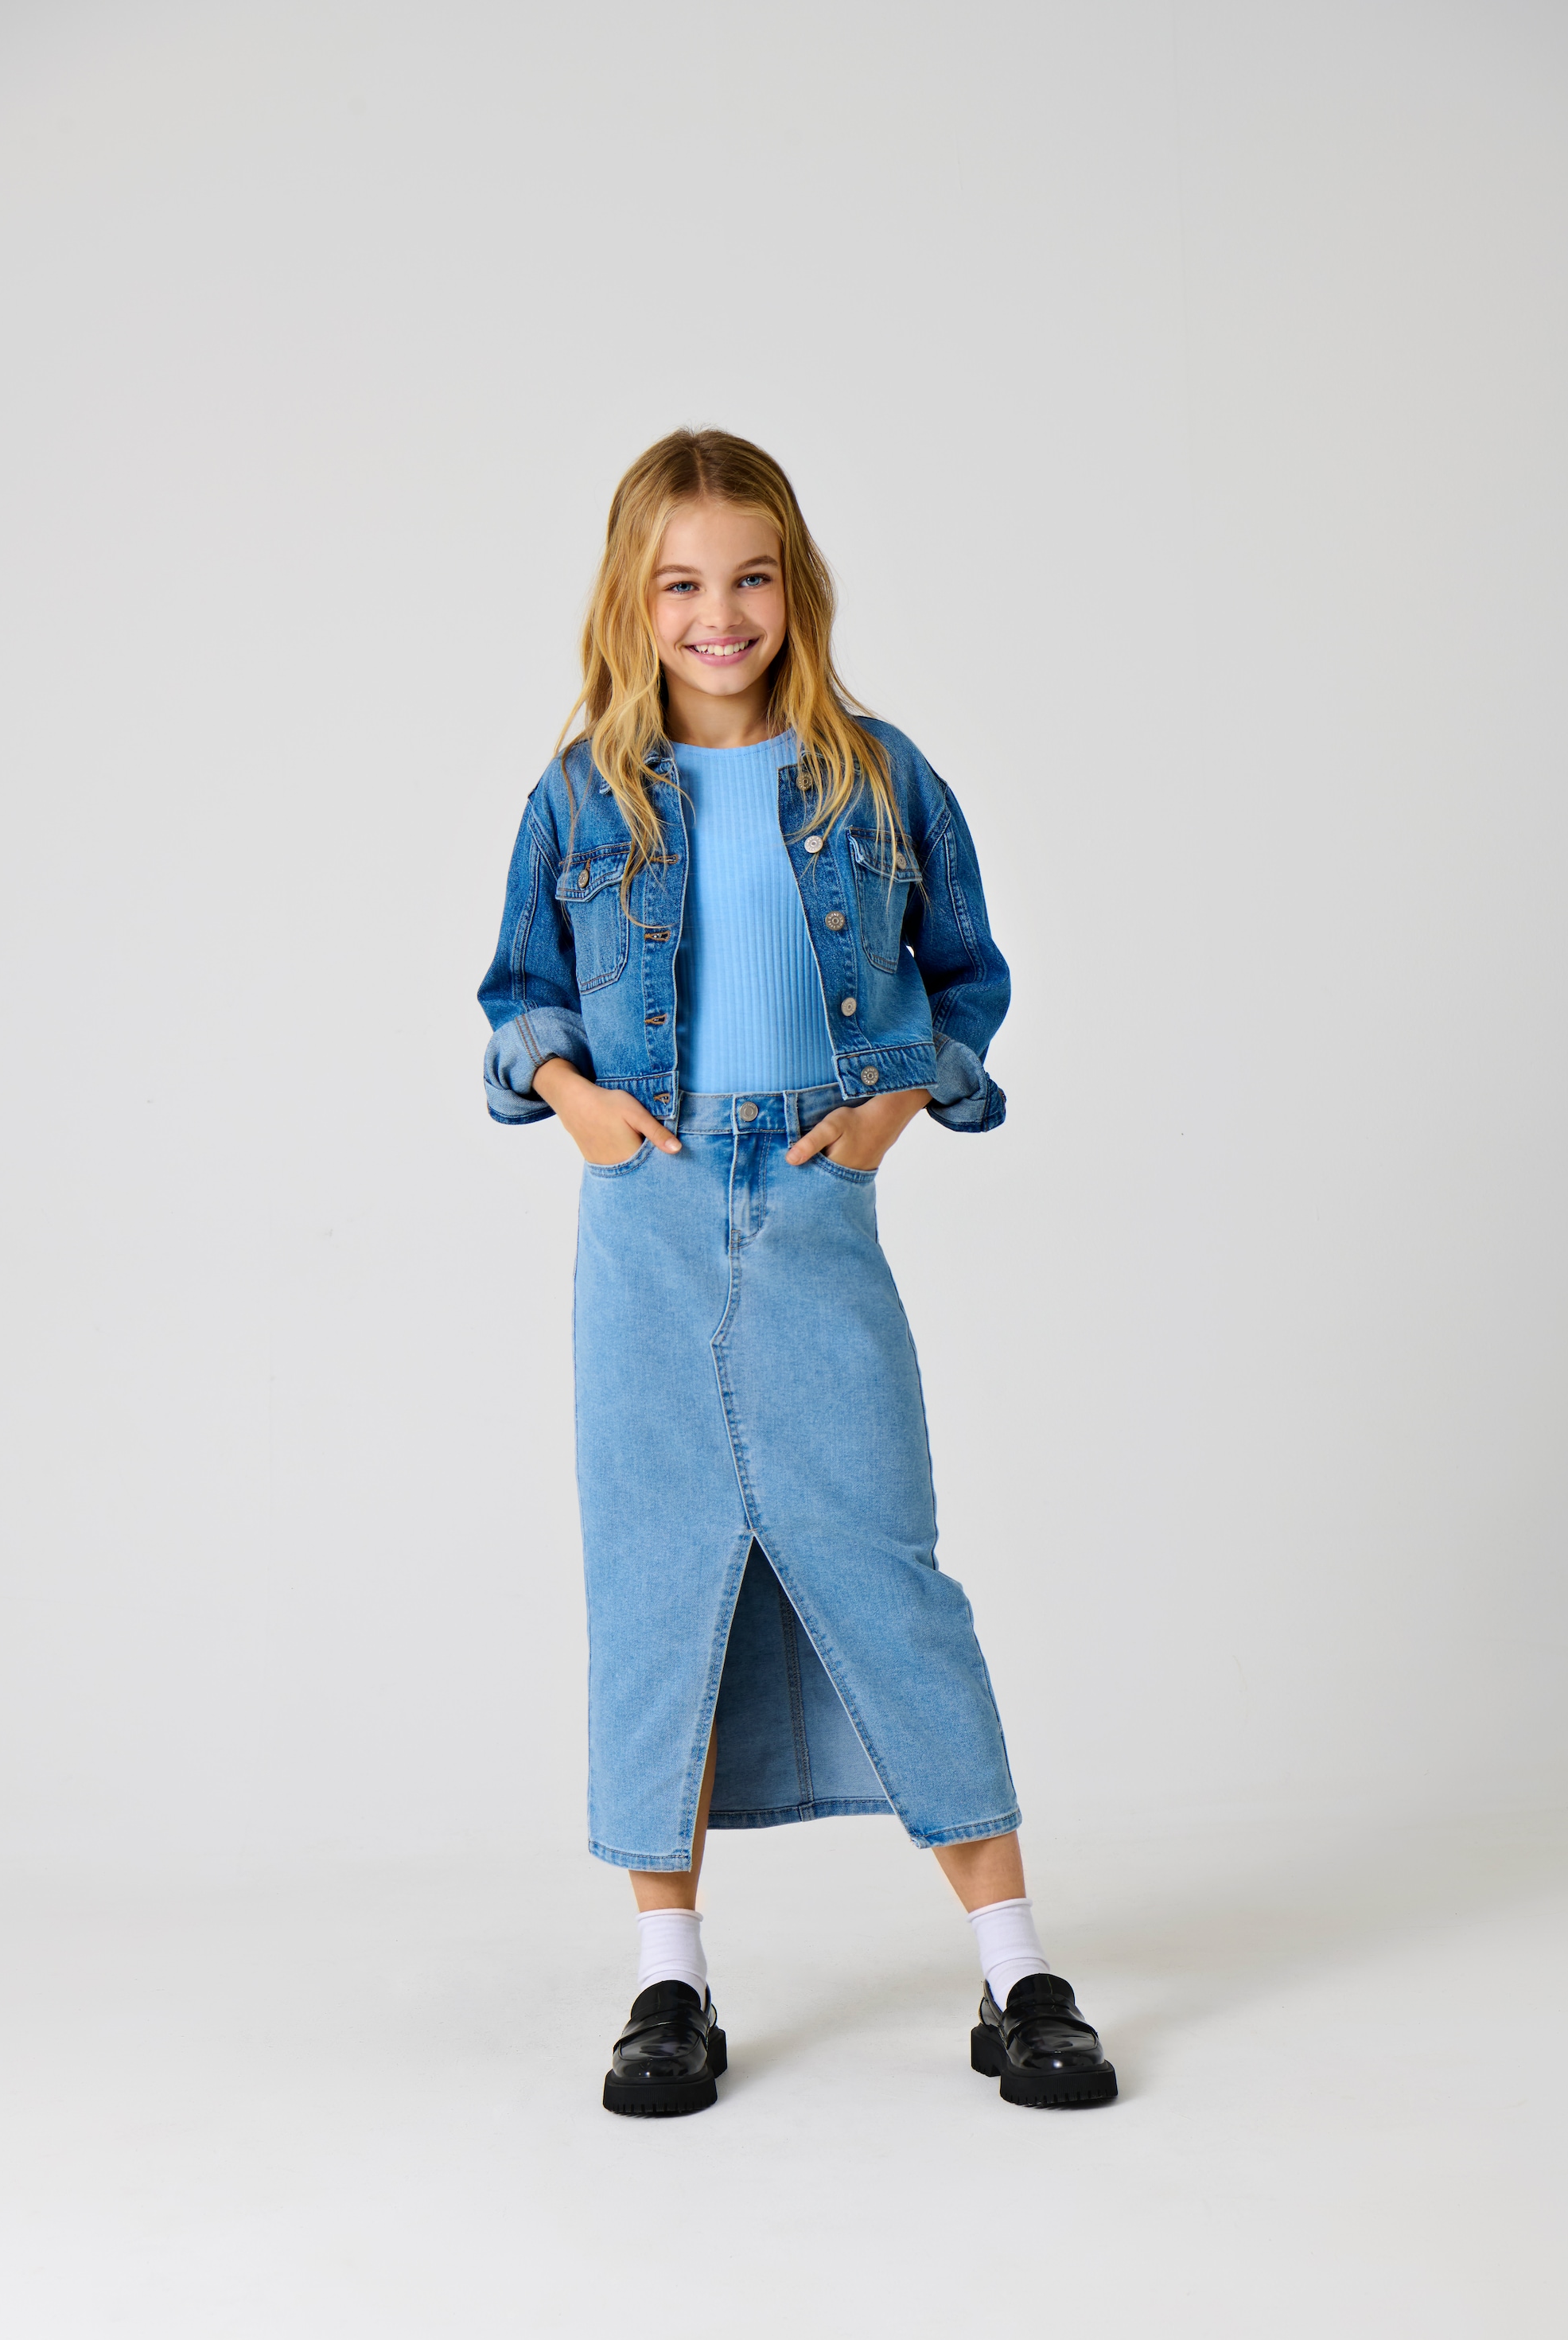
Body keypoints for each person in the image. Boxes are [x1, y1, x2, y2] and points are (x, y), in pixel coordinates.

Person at [479, 427, 1115, 2118]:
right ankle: (667, 1980)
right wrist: (579, 1105)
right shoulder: (580, 794)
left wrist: (894, 1106)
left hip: (814, 1202)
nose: (719, 613)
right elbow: (516, 996)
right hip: (648, 1210)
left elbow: (962, 977)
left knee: (881, 1563)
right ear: (629, 599)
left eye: (749, 577)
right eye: (680, 582)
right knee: (655, 1576)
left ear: (796, 587)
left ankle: (1015, 1972)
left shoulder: (874, 778)